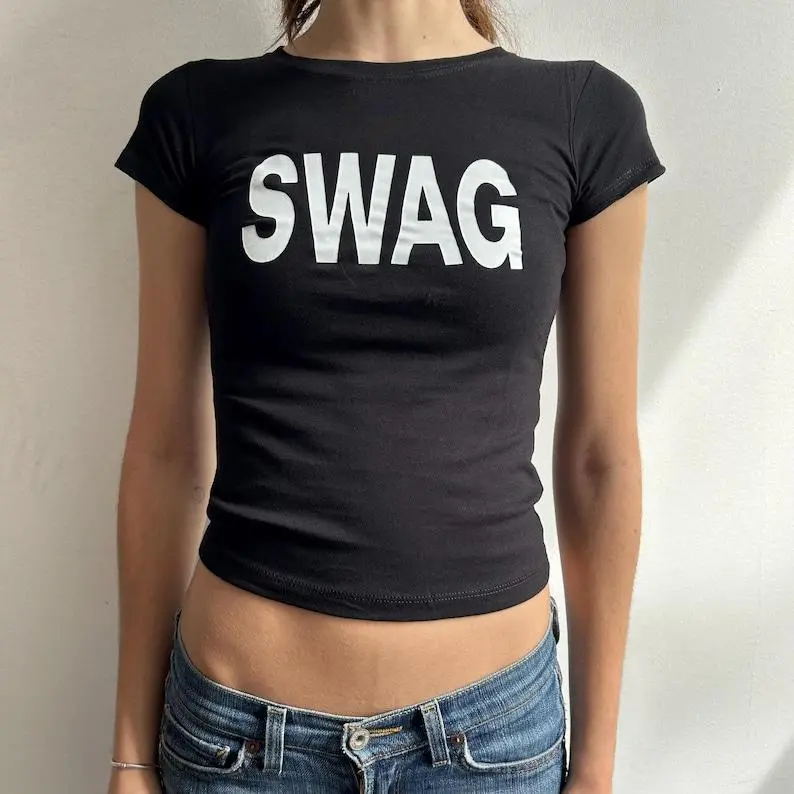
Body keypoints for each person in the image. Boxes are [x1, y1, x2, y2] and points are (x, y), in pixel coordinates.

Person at [108, 1, 666, 792]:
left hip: (495, 740)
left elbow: (600, 460)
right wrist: (130, 753)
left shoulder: (582, 115)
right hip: (240, 741)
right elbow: (163, 450)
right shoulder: (199, 111)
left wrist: (597, 770)